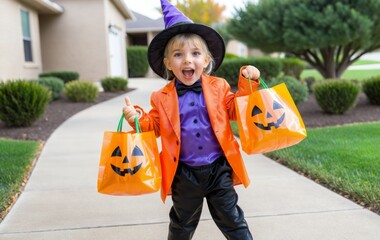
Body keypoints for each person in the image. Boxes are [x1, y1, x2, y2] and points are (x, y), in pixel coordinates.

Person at [122, 0, 260, 239]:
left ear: (206, 60)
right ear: (168, 64)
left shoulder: (219, 87)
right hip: (184, 173)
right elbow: (152, 126)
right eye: (178, 55)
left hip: (218, 169)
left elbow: (236, 110)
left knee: (232, 219)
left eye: (195, 54)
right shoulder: (161, 96)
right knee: (182, 224)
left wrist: (248, 83)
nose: (187, 60)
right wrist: (136, 118)